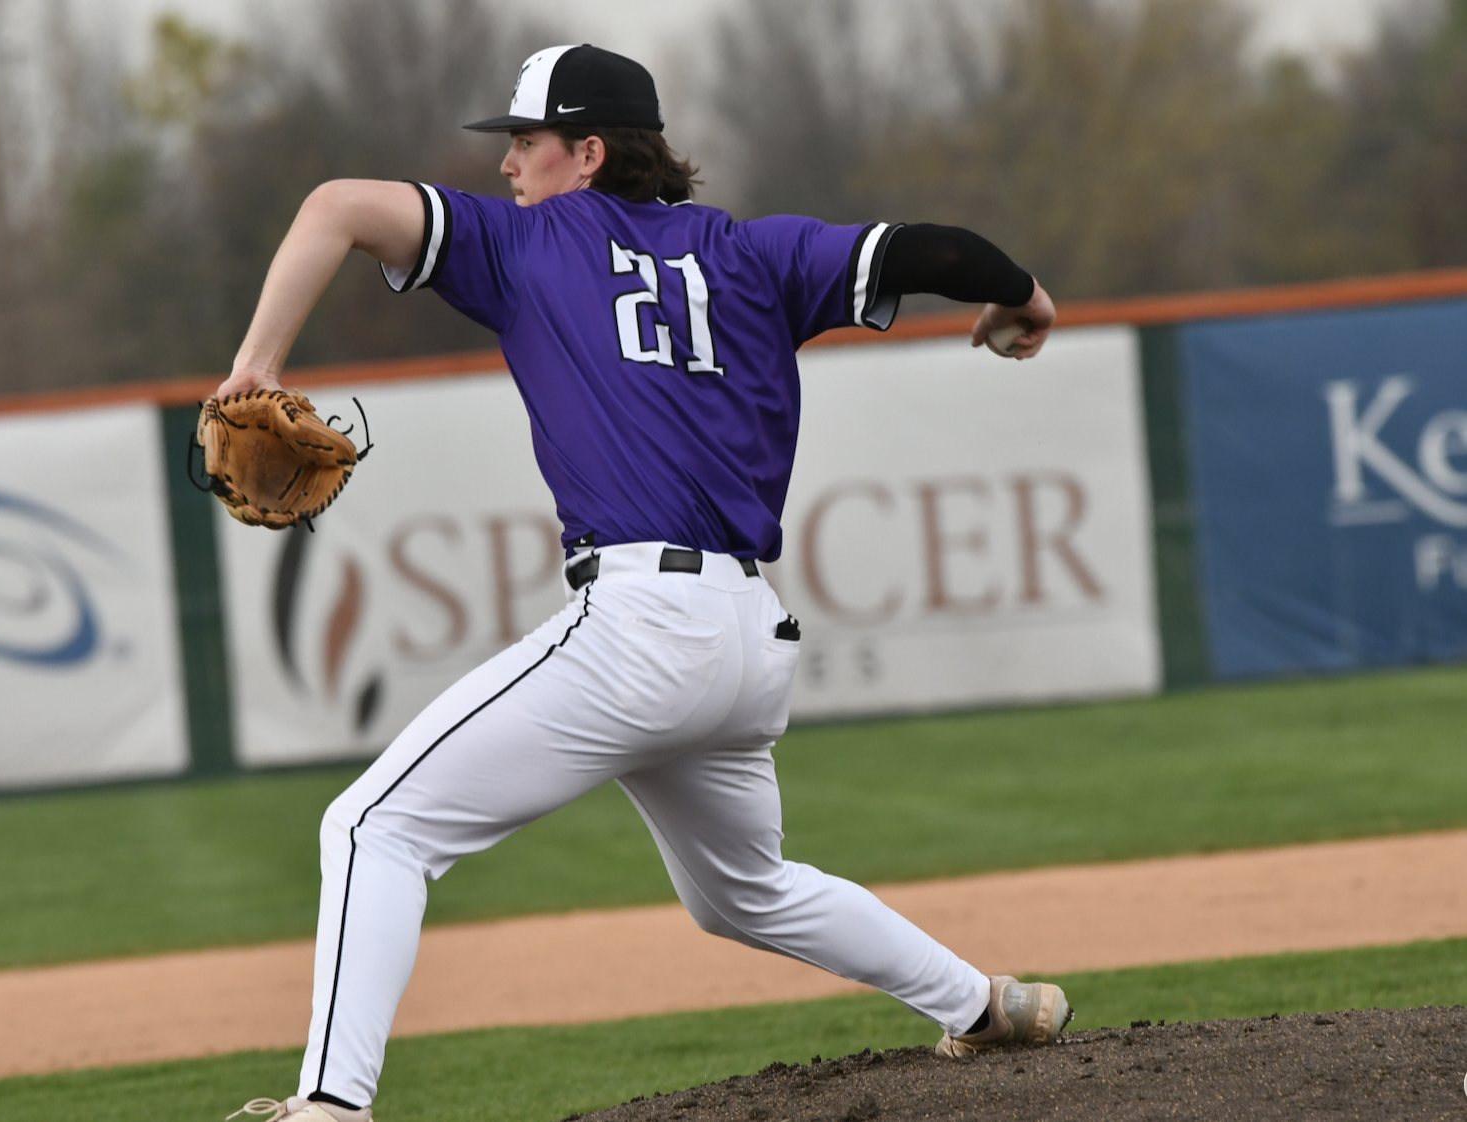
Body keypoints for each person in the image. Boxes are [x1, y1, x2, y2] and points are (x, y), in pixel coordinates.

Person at [221, 43, 1067, 1122]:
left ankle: (331, 1107)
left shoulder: (528, 244)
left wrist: (257, 366)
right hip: (748, 642)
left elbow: (336, 206)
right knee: (742, 892)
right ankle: (984, 1004)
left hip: (643, 625)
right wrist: (1027, 298)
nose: (507, 165)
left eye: (524, 142)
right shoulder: (755, 255)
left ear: (587, 151)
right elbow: (933, 247)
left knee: (373, 828)